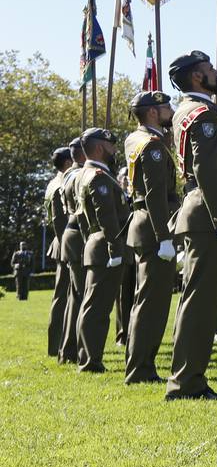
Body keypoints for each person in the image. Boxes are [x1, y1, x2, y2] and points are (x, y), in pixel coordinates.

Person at [166, 50, 217, 401]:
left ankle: (188, 379)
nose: (216, 73)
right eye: (210, 70)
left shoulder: (190, 110)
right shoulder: (202, 113)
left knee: (196, 299)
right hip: (210, 213)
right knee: (201, 302)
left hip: (197, 211)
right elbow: (206, 170)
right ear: (197, 78)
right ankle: (186, 383)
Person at [123, 90, 180, 384]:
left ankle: (139, 365)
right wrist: (165, 236)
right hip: (155, 226)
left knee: (144, 300)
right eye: (166, 106)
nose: (171, 109)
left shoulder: (136, 139)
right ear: (153, 113)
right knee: (152, 304)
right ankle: (140, 369)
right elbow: (157, 194)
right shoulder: (153, 145)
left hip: (143, 223)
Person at [73, 128, 130, 373]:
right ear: (99, 148)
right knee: (97, 307)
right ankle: (90, 361)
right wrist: (115, 250)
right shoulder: (97, 176)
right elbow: (107, 217)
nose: (115, 150)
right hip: (107, 247)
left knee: (92, 305)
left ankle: (87, 356)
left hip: (97, 244)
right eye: (111, 145)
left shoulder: (88, 174)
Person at [57, 137, 89, 364]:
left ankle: (68, 350)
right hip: (80, 234)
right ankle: (73, 351)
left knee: (74, 296)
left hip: (71, 233)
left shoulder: (68, 174)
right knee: (81, 296)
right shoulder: (81, 175)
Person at [43, 146, 75, 356]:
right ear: (66, 163)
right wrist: (67, 248)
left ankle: (61, 344)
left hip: (62, 242)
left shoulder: (55, 182)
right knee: (63, 297)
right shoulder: (59, 185)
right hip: (64, 243)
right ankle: (56, 346)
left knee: (64, 296)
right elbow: (59, 221)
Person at [113, 167, 135, 345]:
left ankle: (136, 332)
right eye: (124, 177)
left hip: (139, 248)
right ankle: (123, 333)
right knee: (123, 294)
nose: (127, 180)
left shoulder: (137, 197)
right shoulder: (117, 198)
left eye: (130, 176)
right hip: (124, 248)